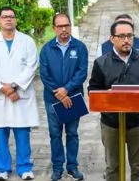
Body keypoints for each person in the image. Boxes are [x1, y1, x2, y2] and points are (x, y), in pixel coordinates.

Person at [89, 20, 139, 181]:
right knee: (113, 168)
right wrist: (107, 96)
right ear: (112, 39)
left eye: (129, 35)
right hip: (111, 124)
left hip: (138, 123)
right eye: (121, 36)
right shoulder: (101, 63)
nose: (126, 40)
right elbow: (92, 91)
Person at [0, 7, 40, 181]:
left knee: (22, 133)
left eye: (11, 17)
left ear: (16, 20)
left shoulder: (27, 41)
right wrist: (5, 89)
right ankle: (3, 168)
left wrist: (15, 86)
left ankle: (24, 168)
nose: (8, 19)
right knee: (0, 134)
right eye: (4, 17)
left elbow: (31, 66)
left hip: (20, 94)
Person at [39, 12, 88, 181]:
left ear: (70, 26)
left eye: (66, 25)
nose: (64, 29)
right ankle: (57, 168)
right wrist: (59, 94)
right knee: (55, 134)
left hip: (73, 98)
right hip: (52, 100)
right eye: (60, 26)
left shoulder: (80, 47)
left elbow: (82, 73)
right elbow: (44, 75)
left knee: (73, 133)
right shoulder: (46, 49)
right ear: (54, 28)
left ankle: (72, 167)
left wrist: (66, 90)